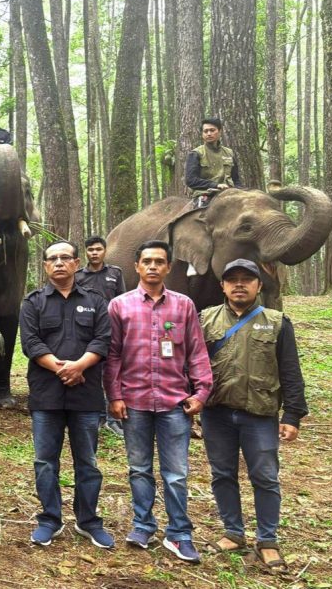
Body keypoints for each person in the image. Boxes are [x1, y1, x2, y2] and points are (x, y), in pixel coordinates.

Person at [104, 240, 213, 563]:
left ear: (168, 267)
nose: (152, 266)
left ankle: (179, 533)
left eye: (159, 262)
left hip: (174, 403)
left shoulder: (183, 306)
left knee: (176, 473)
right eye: (147, 261)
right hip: (133, 401)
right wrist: (115, 395)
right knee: (139, 468)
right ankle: (143, 524)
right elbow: (112, 356)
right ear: (136, 267)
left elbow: (196, 351)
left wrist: (201, 392)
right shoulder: (119, 306)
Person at [200, 259, 308, 571]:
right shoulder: (205, 319)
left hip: (259, 414)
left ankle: (268, 540)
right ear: (223, 285)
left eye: (247, 279)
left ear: (259, 285)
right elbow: (191, 365)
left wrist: (293, 415)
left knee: (264, 477)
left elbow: (290, 371)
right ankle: (233, 533)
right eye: (232, 279)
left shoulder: (276, 322)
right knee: (222, 474)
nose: (239, 284)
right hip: (216, 413)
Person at [20, 241, 113, 548]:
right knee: (45, 461)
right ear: (45, 265)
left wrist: (80, 365)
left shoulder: (96, 301)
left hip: (85, 395)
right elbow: (31, 344)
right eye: (52, 259)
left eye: (65, 258)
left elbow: (102, 340)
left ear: (76, 263)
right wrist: (61, 368)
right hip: (46, 396)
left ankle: (88, 521)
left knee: (87, 461)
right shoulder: (33, 302)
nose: (58, 263)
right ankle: (50, 519)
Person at [74, 235, 126, 437]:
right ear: (85, 252)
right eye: (90, 250)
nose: (94, 253)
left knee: (112, 372)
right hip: (87, 331)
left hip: (111, 329)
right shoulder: (78, 276)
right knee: (90, 372)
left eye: (98, 249)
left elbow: (122, 300)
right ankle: (97, 416)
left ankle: (113, 419)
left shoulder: (115, 273)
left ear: (105, 251)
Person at [185, 117, 243, 206]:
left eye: (212, 130)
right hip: (206, 194)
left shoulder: (229, 153)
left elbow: (235, 179)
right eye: (206, 131)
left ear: (220, 132)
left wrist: (240, 190)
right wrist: (215, 185)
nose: (209, 134)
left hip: (230, 193)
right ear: (202, 134)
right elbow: (191, 180)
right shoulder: (196, 154)